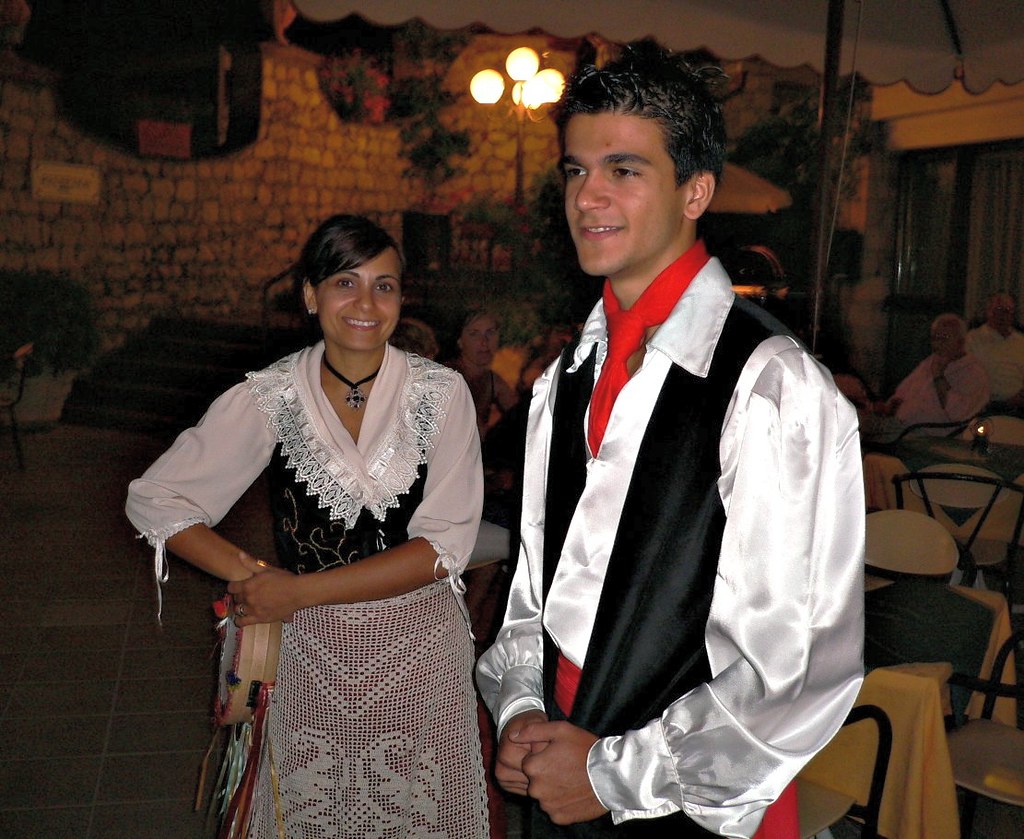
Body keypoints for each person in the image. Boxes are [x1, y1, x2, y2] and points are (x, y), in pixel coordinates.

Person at [475, 41, 865, 839]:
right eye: (576, 170)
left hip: (691, 800)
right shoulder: (564, 379)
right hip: (560, 775)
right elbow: (532, 595)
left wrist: (611, 773)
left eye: (624, 169)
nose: (589, 196)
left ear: (696, 189)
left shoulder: (769, 386)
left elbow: (793, 671)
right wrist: (519, 704)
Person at [126, 214, 490, 838]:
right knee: (312, 815)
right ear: (309, 294)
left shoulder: (441, 392)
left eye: (385, 285)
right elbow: (156, 497)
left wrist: (295, 591)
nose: (366, 303)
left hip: (419, 653)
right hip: (311, 658)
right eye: (345, 282)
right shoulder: (270, 396)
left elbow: (444, 547)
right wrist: (250, 574)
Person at [867, 313, 989, 437]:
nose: (936, 345)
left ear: (960, 343)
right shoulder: (931, 361)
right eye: (934, 338)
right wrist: (890, 406)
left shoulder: (974, 373)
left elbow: (957, 413)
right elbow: (903, 391)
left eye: (943, 339)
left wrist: (938, 376)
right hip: (901, 425)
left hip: (929, 435)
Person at [449, 309, 520, 442]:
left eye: (490, 332)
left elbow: (524, 417)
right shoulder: (450, 376)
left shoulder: (492, 379)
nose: (484, 342)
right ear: (459, 341)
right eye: (474, 334)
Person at [966, 291, 1024, 411]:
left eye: (1006, 311)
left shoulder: (1021, 342)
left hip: (1018, 406)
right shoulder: (972, 339)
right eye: (997, 310)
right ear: (988, 311)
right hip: (984, 406)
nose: (1002, 315)